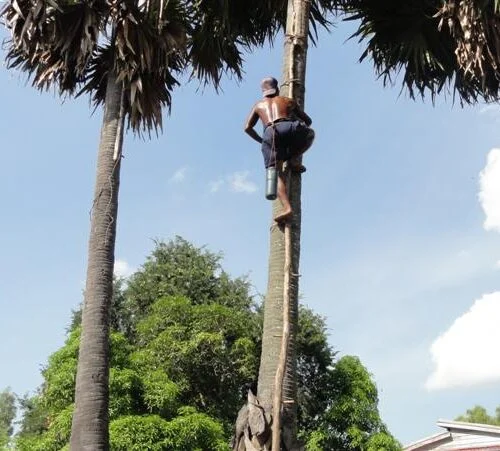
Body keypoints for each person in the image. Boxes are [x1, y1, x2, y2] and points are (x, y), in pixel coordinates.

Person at [244, 76, 315, 223]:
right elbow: (308, 121)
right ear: (276, 89)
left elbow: (247, 128)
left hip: (270, 134)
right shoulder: (287, 100)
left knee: (275, 174)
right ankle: (293, 158)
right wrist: (292, 116)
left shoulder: (258, 105)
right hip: (289, 126)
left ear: (263, 92)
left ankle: (287, 208)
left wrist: (261, 140)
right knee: (310, 134)